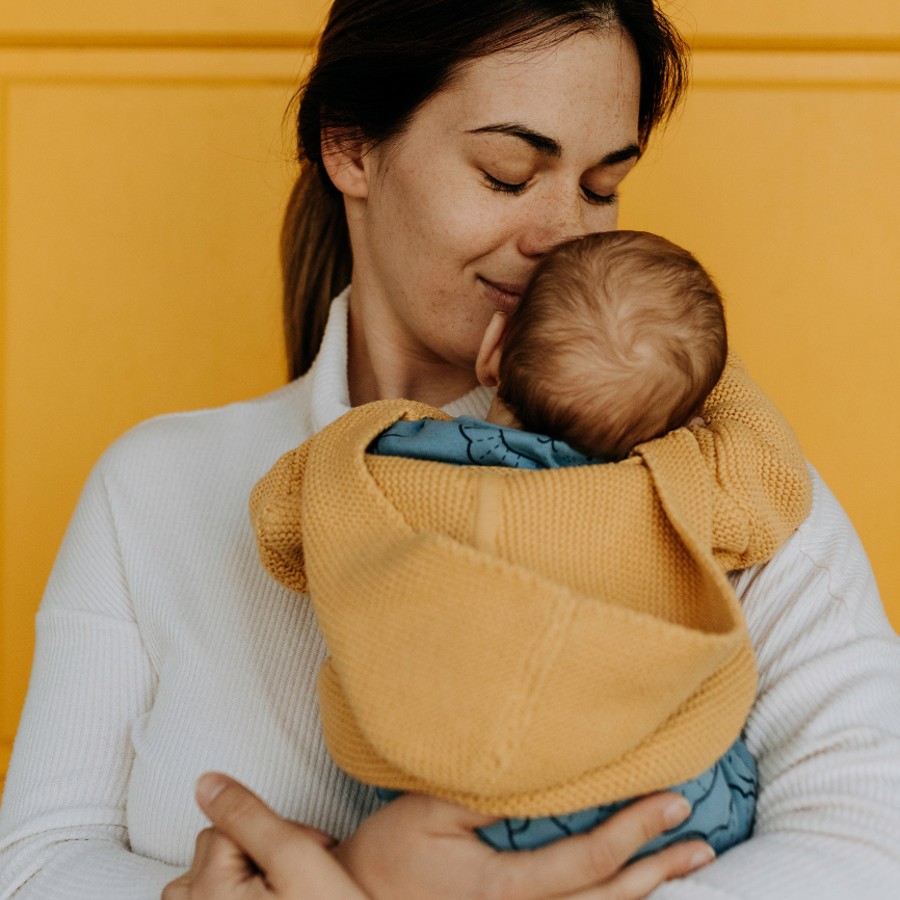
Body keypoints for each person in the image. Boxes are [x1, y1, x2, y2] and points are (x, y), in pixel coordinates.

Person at [1, 1, 899, 898]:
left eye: (601, 186)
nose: (563, 234)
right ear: (350, 147)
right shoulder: (155, 486)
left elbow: (870, 844)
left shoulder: (717, 479)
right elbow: (38, 863)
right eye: (507, 174)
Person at [252, 227, 810, 860]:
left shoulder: (386, 458)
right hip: (660, 804)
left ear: (494, 349)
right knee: (715, 785)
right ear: (682, 416)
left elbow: (279, 526)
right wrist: (704, 366)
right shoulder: (674, 489)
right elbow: (776, 481)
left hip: (439, 815)